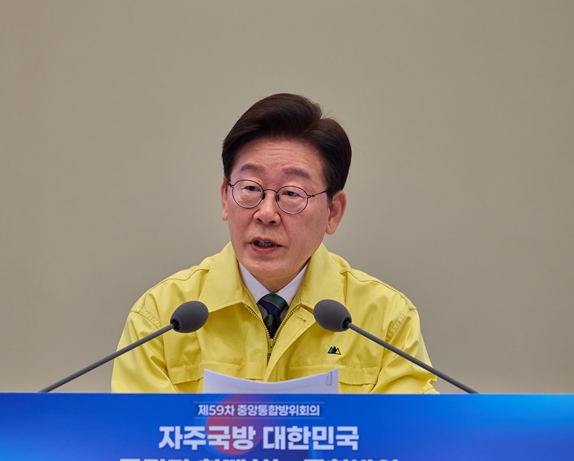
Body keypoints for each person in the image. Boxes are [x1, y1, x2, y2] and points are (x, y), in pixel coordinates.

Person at [111, 94, 436, 394]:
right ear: (225, 197)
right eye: (251, 188)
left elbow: (409, 444)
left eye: (292, 194)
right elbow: (138, 443)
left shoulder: (384, 320)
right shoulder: (162, 316)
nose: (266, 213)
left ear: (333, 212)